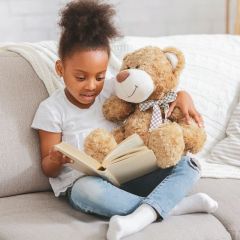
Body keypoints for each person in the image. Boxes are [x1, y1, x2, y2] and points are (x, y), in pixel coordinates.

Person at [31, 1, 218, 240]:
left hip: (130, 176)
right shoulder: (51, 110)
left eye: (99, 76)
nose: (91, 86)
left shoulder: (113, 89)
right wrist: (56, 159)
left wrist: (182, 95)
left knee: (188, 165)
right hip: (87, 183)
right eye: (80, 77)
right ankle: (169, 207)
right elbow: (47, 167)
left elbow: (154, 90)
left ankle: (144, 213)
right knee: (85, 192)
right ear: (60, 69)